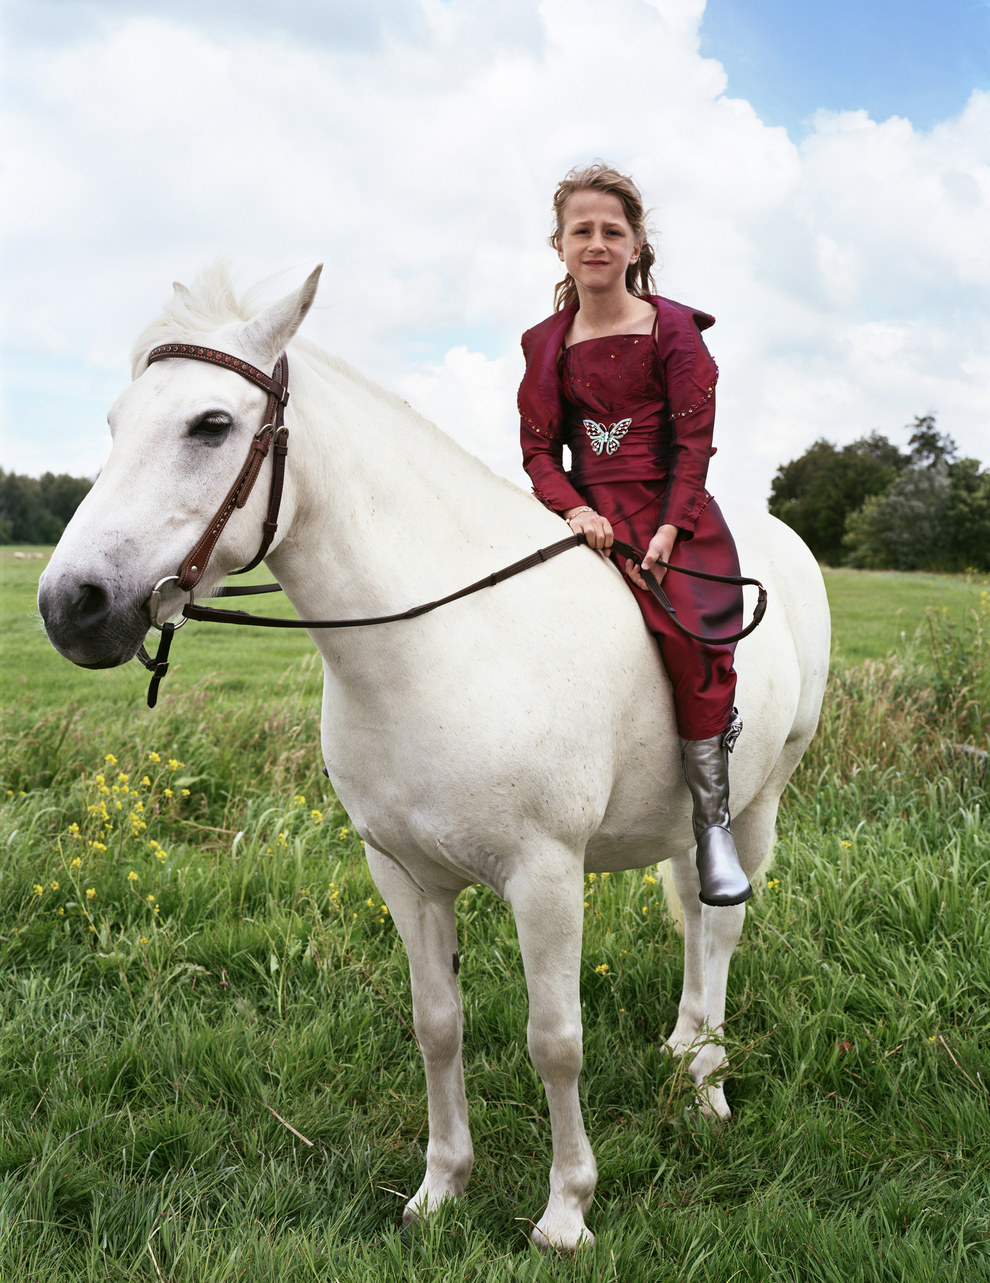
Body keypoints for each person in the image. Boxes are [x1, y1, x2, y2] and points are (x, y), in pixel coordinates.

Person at [517, 162, 751, 906]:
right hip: (585, 516)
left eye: (611, 231)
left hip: (667, 516)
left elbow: (696, 444)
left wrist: (673, 525)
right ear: (558, 245)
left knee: (693, 637)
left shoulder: (674, 329)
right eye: (580, 230)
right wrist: (574, 510)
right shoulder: (545, 342)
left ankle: (711, 825)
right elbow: (536, 451)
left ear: (636, 244)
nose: (596, 242)